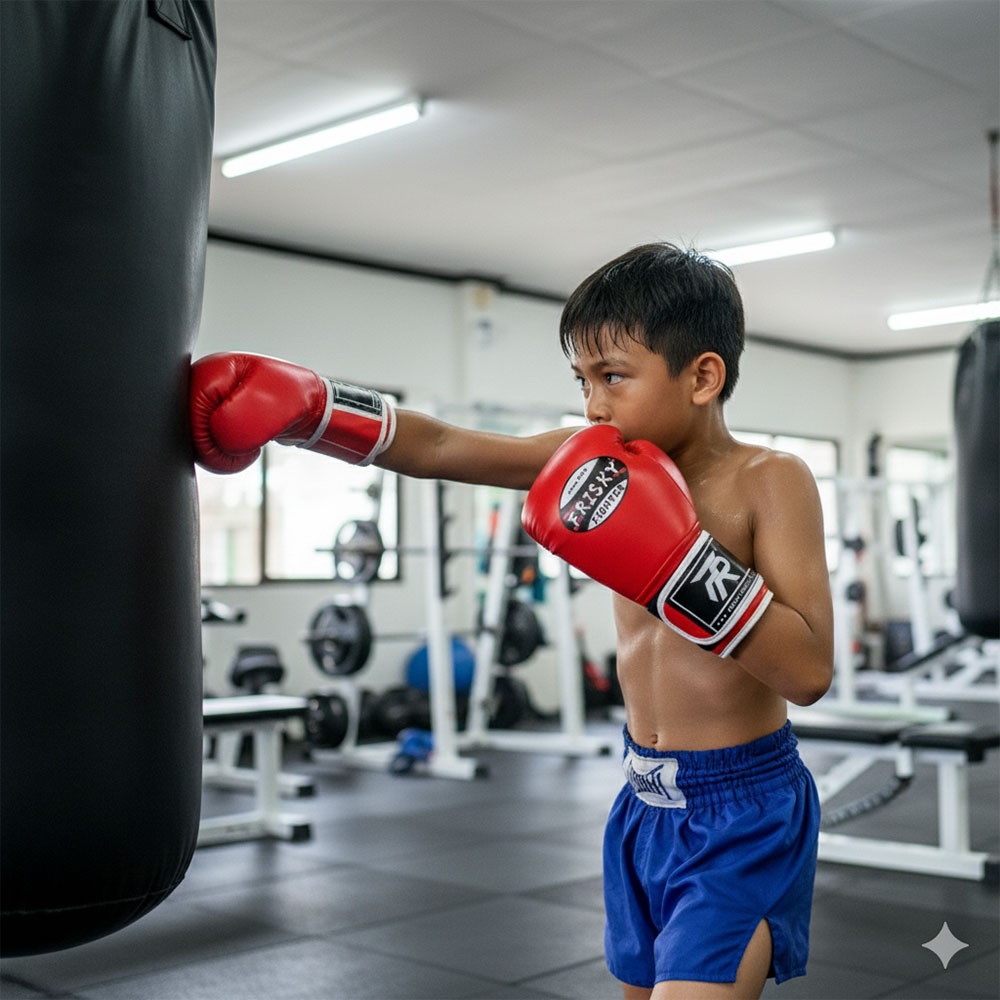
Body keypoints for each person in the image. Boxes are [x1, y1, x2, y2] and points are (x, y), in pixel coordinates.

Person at [190, 242, 834, 999]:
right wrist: (316, 409)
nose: (594, 405)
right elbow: (442, 446)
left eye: (614, 378)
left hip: (740, 813)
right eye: (583, 381)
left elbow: (810, 670)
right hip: (642, 804)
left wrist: (680, 569)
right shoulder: (591, 457)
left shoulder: (769, 480)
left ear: (702, 375)